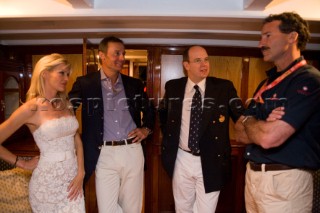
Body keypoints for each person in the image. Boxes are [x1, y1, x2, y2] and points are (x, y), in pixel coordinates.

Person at [235, 12, 320, 213]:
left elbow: (268, 138)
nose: (260, 43)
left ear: (292, 37)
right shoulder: (266, 83)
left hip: (286, 182)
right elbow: (239, 133)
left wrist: (251, 120)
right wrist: (255, 121)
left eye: (268, 36)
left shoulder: (308, 80)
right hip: (254, 178)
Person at [68, 36, 155, 213]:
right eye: (116, 54)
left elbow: (150, 111)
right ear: (102, 55)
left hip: (132, 151)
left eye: (123, 54)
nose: (121, 58)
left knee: (132, 208)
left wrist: (146, 128)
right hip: (103, 153)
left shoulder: (134, 84)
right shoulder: (85, 83)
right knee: (107, 209)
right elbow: (67, 111)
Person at [159, 45, 244, 212]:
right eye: (197, 60)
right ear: (186, 65)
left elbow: (240, 114)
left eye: (206, 59)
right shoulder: (173, 87)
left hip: (211, 159)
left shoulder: (224, 87)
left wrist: (258, 113)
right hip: (181, 159)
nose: (204, 64)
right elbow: (163, 115)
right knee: (182, 209)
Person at [0, 53, 85, 212]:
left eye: (68, 74)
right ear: (45, 73)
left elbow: (77, 141)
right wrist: (22, 163)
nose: (66, 78)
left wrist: (81, 172)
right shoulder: (31, 107)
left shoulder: (66, 103)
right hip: (47, 185)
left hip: (74, 181)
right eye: (61, 73)